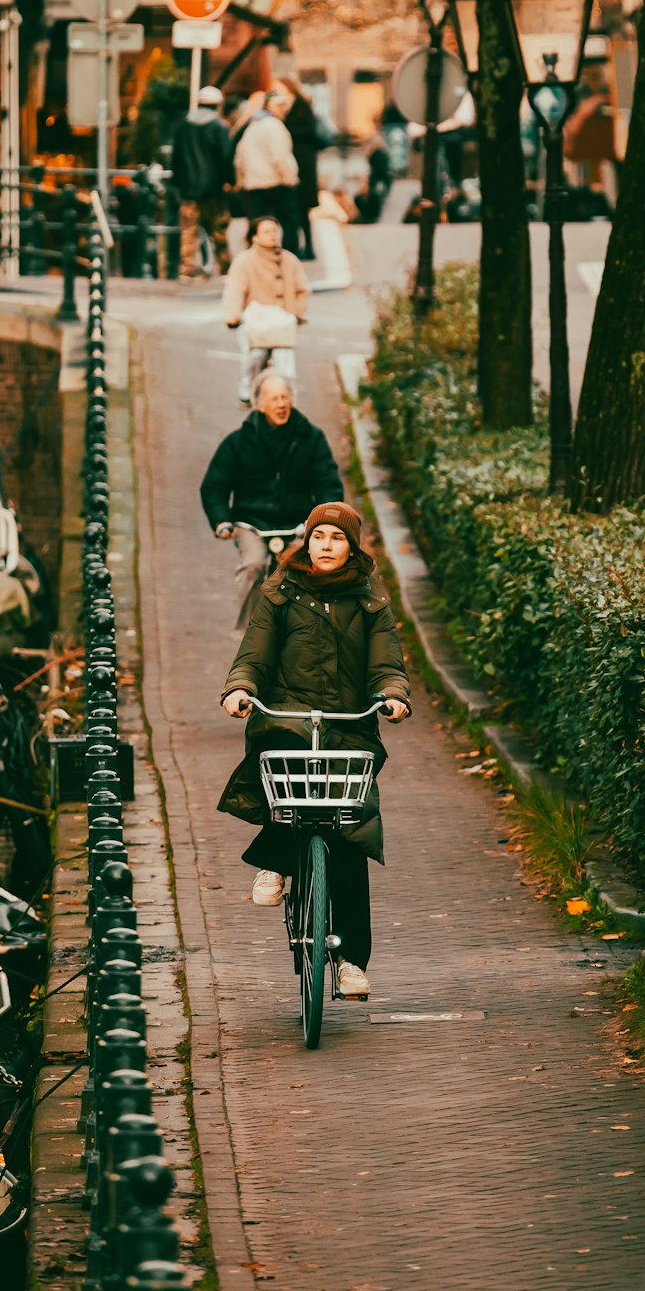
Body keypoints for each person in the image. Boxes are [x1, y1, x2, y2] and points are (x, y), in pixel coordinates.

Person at [219, 502, 411, 998]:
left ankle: (349, 961)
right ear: (307, 541)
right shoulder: (280, 594)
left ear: (351, 546)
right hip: (287, 715)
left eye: (336, 538)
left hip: (349, 725)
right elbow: (254, 654)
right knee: (284, 765)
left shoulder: (371, 601)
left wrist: (392, 697)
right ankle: (278, 859)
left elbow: (386, 662)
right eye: (318, 536)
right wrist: (240, 690)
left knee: (349, 837)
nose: (325, 546)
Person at [200, 371, 343, 629]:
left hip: (298, 521)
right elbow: (214, 486)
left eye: (285, 397)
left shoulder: (311, 438)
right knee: (253, 565)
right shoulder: (238, 442)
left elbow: (328, 483)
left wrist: (324, 519)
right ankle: (249, 637)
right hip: (251, 521)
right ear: (260, 404)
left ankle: (308, 630)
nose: (281, 404)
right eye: (274, 398)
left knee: (304, 569)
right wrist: (222, 521)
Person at [221, 214, 310, 405]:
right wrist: (233, 315)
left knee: (285, 360)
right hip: (255, 319)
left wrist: (297, 312)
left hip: (282, 319)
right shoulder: (244, 260)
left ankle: (287, 397)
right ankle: (247, 390)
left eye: (275, 231)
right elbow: (235, 289)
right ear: (255, 236)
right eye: (267, 232)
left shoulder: (289, 260)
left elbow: (302, 289)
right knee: (254, 355)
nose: (273, 236)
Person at [171, 85, 234, 278]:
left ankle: (187, 268)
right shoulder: (219, 127)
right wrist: (230, 180)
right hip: (213, 188)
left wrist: (179, 182)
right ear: (217, 105)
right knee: (219, 230)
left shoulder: (183, 126)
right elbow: (225, 157)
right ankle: (225, 267)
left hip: (189, 189)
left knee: (188, 231)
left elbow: (176, 158)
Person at [233, 89, 300, 252]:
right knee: (288, 221)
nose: (283, 109)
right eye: (280, 106)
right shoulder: (274, 126)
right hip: (275, 182)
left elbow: (239, 158)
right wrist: (290, 178)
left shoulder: (252, 127)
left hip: (253, 184)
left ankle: (256, 257)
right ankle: (289, 257)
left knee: (257, 223)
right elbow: (281, 157)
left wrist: (242, 180)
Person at [278, 75, 320, 260]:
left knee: (302, 209)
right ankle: (300, 246)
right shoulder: (287, 105)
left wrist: (285, 126)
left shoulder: (301, 105)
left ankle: (309, 247)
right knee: (295, 208)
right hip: (295, 161)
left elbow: (308, 130)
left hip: (303, 162)